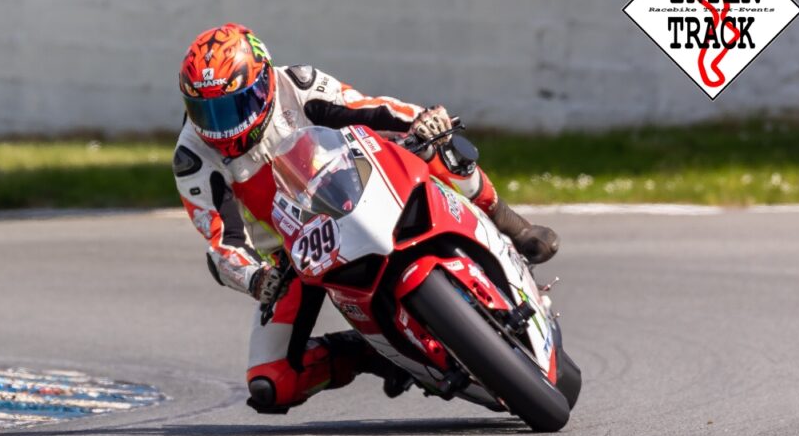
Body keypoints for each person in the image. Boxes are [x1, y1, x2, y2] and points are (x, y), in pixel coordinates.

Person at [173, 23, 558, 413]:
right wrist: (256, 279)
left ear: (263, 84)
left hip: (352, 184)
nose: (220, 125)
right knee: (270, 383)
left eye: (231, 107)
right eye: (205, 112)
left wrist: (421, 121)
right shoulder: (193, 159)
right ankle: (367, 353)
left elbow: (368, 108)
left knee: (435, 146)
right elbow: (222, 243)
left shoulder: (298, 85)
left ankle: (511, 223)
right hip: (294, 255)